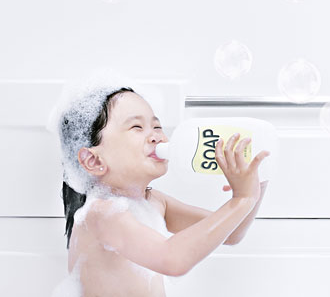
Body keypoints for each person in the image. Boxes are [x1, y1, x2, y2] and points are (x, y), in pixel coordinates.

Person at [52, 84, 269, 297]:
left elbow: (232, 233)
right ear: (94, 159)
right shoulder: (101, 214)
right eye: (136, 127)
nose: (157, 136)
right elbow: (172, 260)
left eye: (157, 127)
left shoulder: (154, 201)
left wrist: (256, 181)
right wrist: (242, 198)